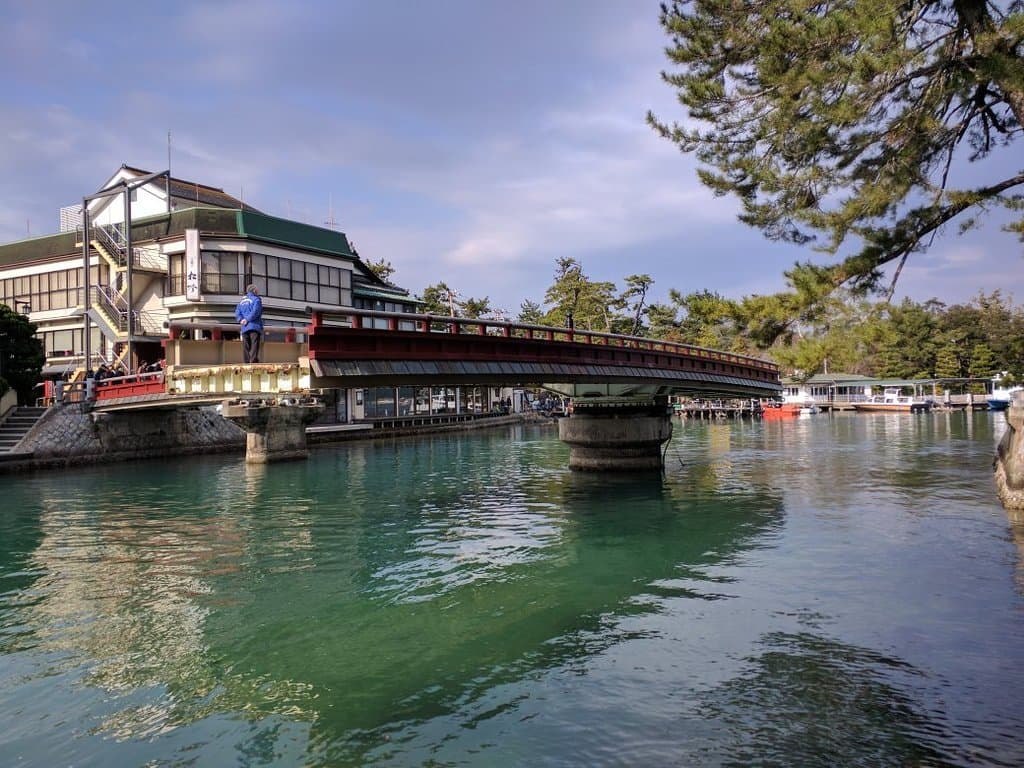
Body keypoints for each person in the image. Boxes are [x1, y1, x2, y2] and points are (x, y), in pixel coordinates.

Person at [235, 284, 264, 363]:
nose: (258, 292)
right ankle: (253, 360)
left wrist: (241, 320)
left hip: (244, 327)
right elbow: (256, 312)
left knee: (246, 345)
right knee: (255, 344)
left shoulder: (241, 302)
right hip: (254, 325)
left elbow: (237, 312)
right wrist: (247, 319)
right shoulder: (256, 300)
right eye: (257, 290)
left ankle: (246, 362)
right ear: (254, 291)